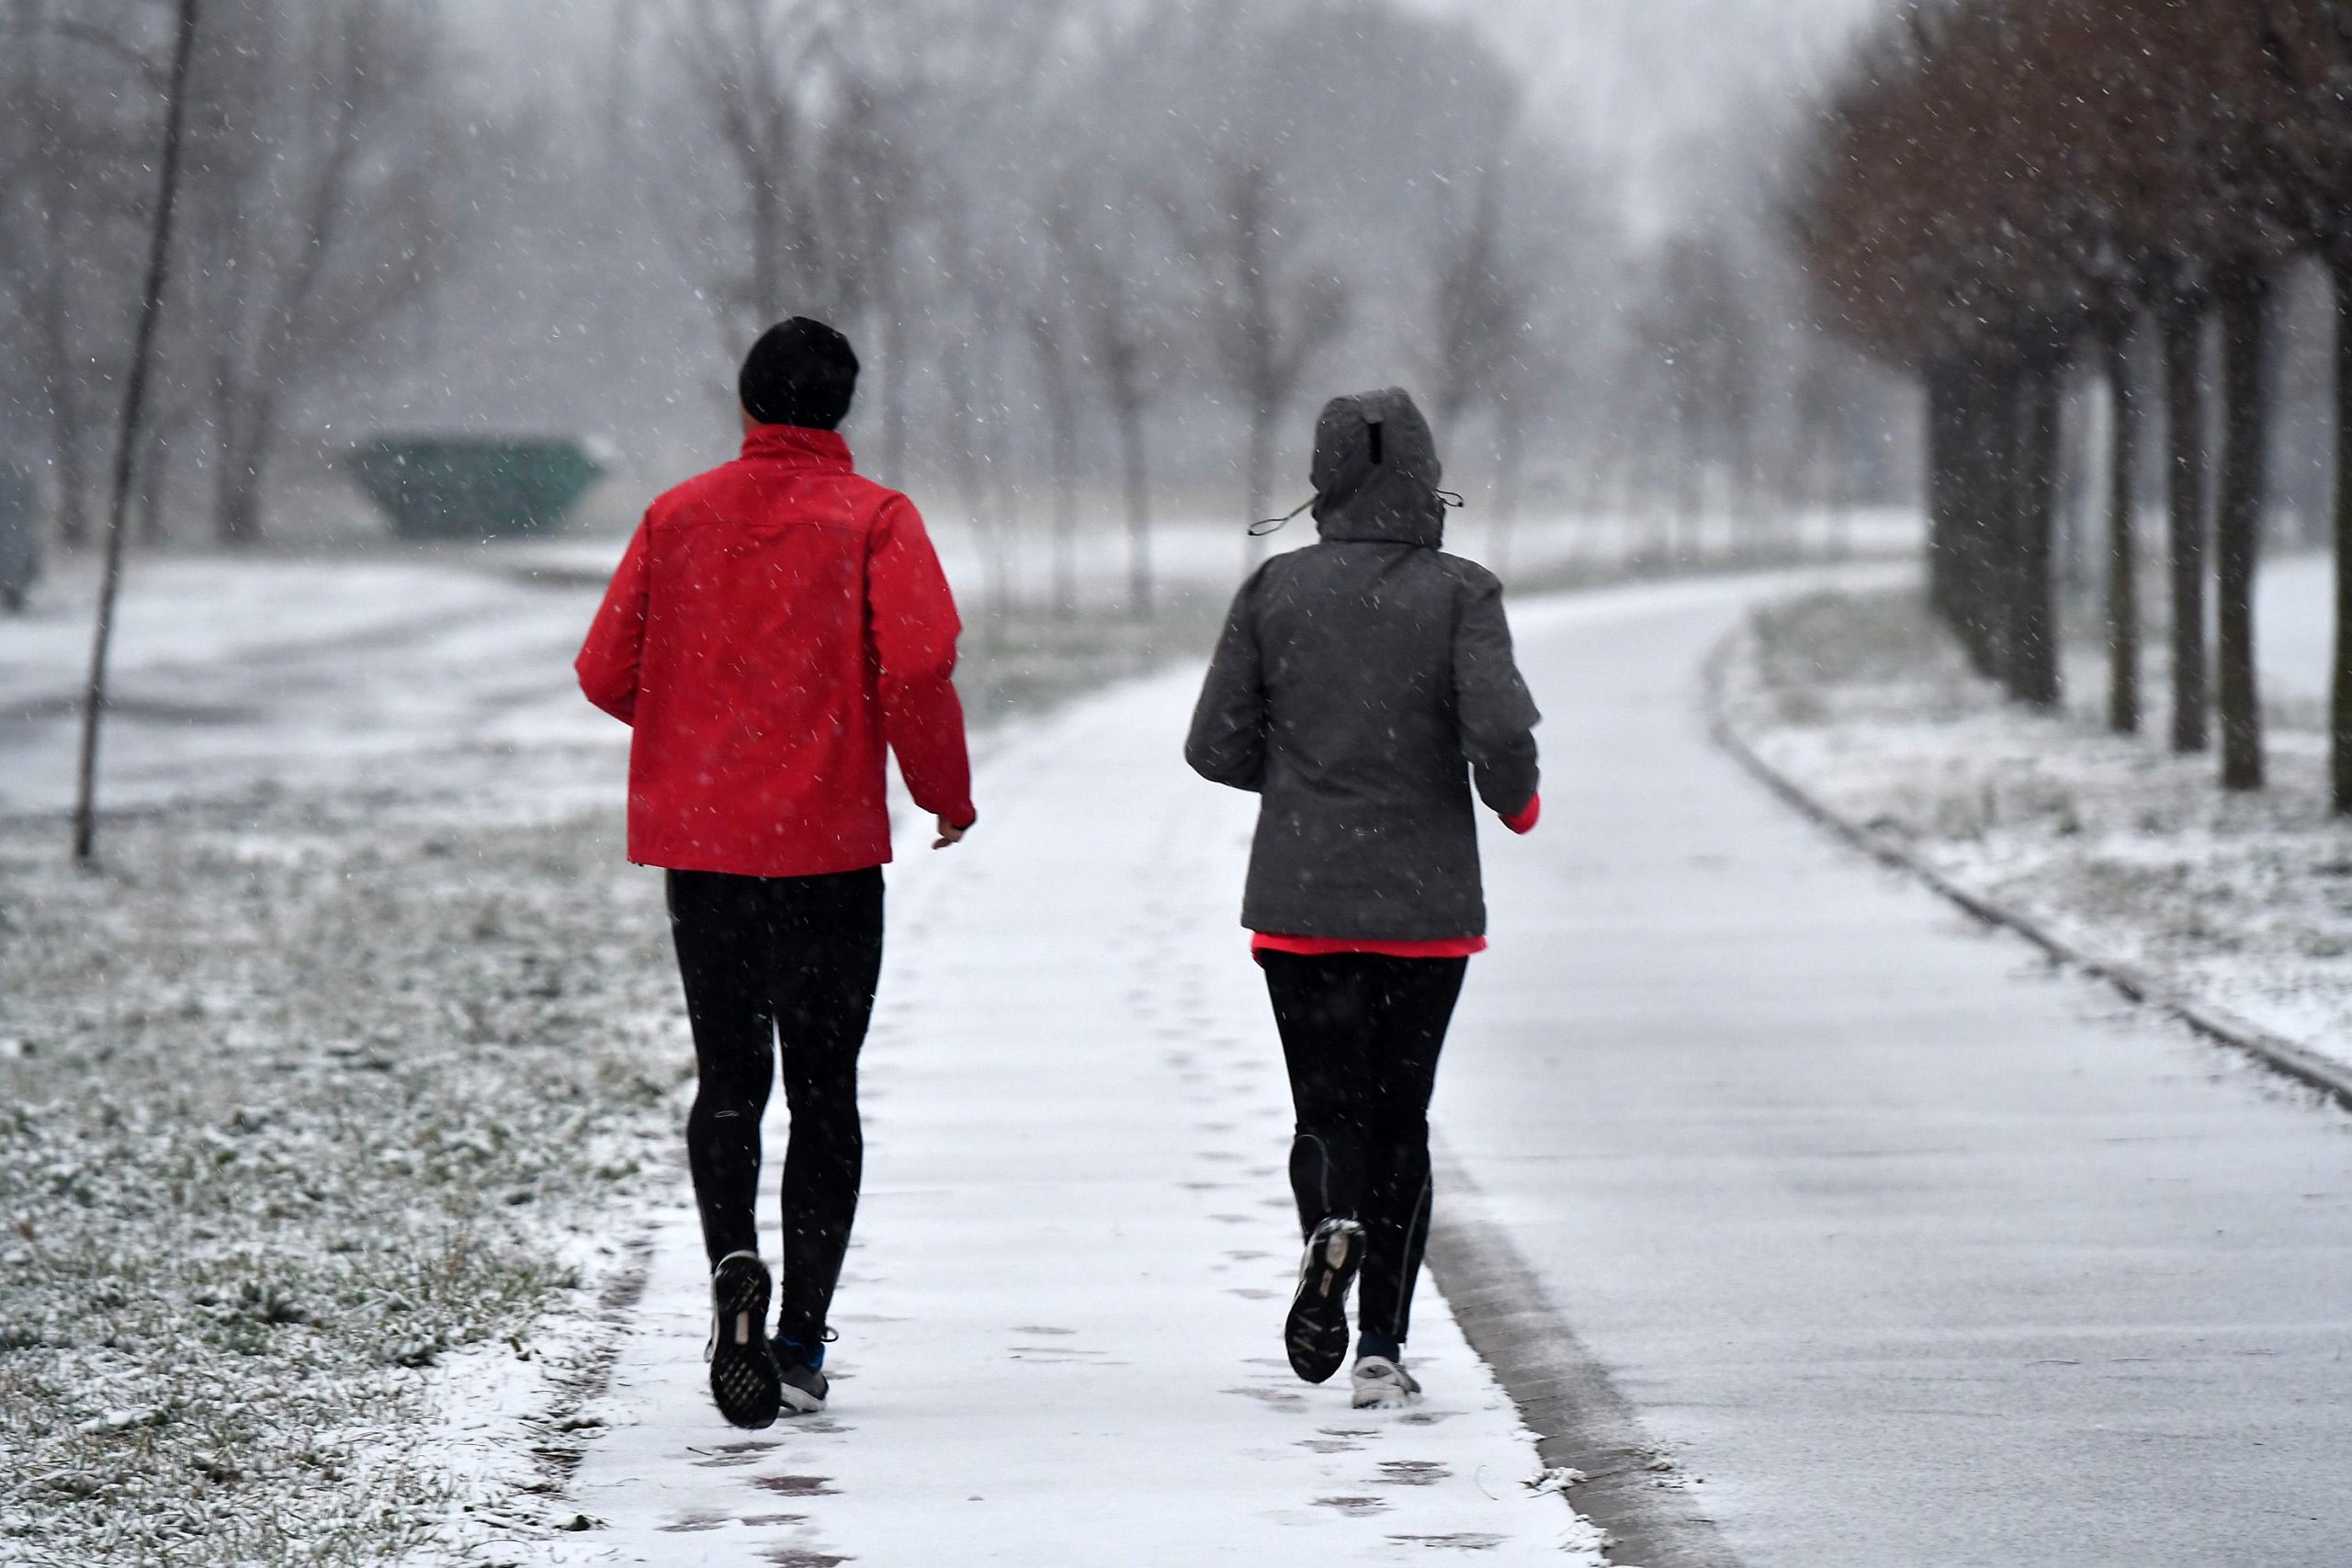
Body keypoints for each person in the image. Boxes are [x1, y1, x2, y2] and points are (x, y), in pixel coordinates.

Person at [576, 317, 977, 1428]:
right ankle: (797, 1337)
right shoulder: (876, 521)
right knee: (824, 1091)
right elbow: (920, 665)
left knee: (728, 1082)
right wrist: (942, 790)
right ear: (841, 407)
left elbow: (606, 671)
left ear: (748, 404)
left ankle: (731, 1272)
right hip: (829, 854)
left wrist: (701, 718)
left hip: (704, 851)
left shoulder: (677, 516)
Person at [1185, 387, 1540, 1410]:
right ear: (1426, 476)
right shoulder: (1462, 593)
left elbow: (1214, 745)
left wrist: (1304, 780)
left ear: (1321, 477)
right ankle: (1380, 1345)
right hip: (1425, 908)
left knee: (1324, 1106)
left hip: (1299, 900)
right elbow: (1500, 738)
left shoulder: (1273, 593)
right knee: (1402, 1116)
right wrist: (1509, 803)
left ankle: (1327, 1229)